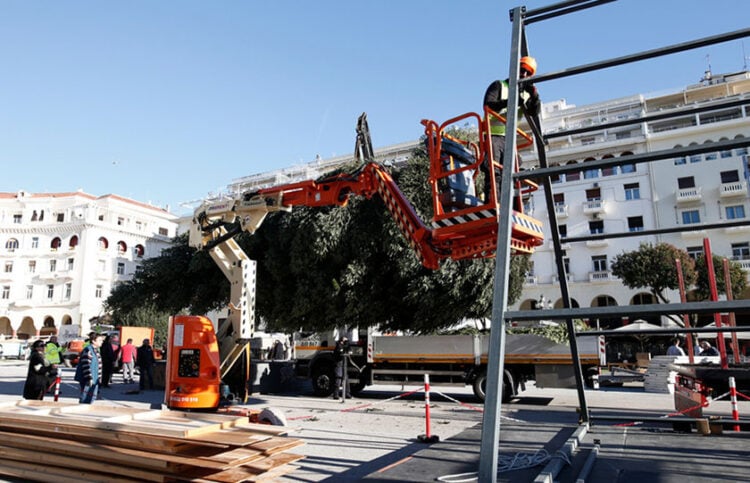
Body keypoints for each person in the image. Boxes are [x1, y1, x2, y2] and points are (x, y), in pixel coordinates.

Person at [482, 55, 540, 200]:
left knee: (512, 170)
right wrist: (511, 101)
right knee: (494, 170)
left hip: (509, 139)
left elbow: (534, 111)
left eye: (528, 73)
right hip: (492, 135)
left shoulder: (525, 94)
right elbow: (488, 104)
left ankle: (509, 204)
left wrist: (534, 95)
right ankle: (494, 203)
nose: (524, 74)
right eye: (521, 70)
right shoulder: (499, 85)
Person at [74, 333, 104, 404]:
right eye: (100, 340)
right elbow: (86, 365)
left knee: (92, 397)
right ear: (94, 341)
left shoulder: (96, 351)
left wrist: (99, 378)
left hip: (95, 379)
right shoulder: (88, 350)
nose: (102, 342)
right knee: (86, 398)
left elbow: (98, 366)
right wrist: (89, 378)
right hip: (88, 379)